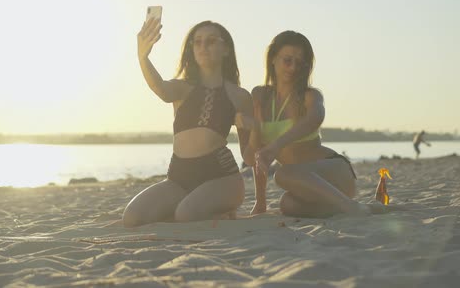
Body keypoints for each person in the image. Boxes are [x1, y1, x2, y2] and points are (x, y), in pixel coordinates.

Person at [122, 18, 253, 227]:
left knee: (186, 215)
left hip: (222, 178)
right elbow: (161, 90)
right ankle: (200, 207)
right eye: (197, 42)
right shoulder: (182, 88)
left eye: (210, 41)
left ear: (226, 49)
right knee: (133, 218)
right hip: (179, 178)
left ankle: (222, 210)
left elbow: (250, 156)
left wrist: (254, 127)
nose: (203, 46)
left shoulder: (240, 96)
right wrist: (143, 57)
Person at [240, 30, 372, 218]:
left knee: (282, 174)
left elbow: (314, 119)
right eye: (287, 60)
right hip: (305, 186)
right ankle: (347, 208)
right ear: (273, 59)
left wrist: (276, 145)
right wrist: (260, 203)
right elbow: (253, 158)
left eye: (300, 63)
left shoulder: (310, 96)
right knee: (288, 205)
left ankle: (351, 207)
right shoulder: (260, 95)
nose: (293, 68)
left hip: (332, 173)